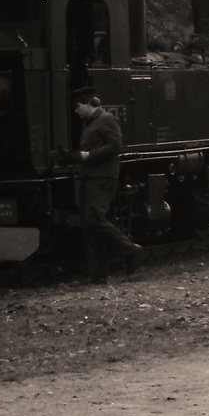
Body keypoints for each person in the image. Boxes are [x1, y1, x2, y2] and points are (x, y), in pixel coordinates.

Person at [64, 85, 141, 281]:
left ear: (89, 104)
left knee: (93, 219)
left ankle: (131, 250)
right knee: (89, 226)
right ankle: (98, 275)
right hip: (90, 176)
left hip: (103, 177)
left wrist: (86, 155)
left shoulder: (106, 119)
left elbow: (115, 146)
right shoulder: (90, 123)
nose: (76, 111)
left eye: (78, 106)